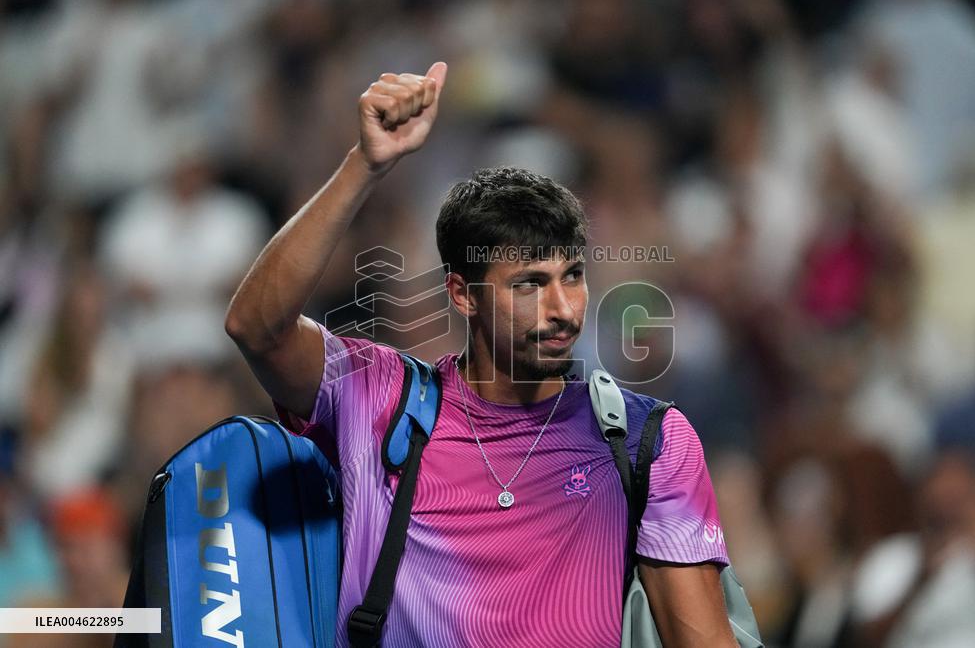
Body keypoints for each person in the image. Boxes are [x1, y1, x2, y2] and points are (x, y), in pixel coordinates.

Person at [226, 62, 736, 647]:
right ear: (462, 294)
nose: (564, 309)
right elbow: (256, 327)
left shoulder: (650, 441)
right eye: (529, 284)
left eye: (572, 276)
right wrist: (364, 165)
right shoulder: (379, 399)